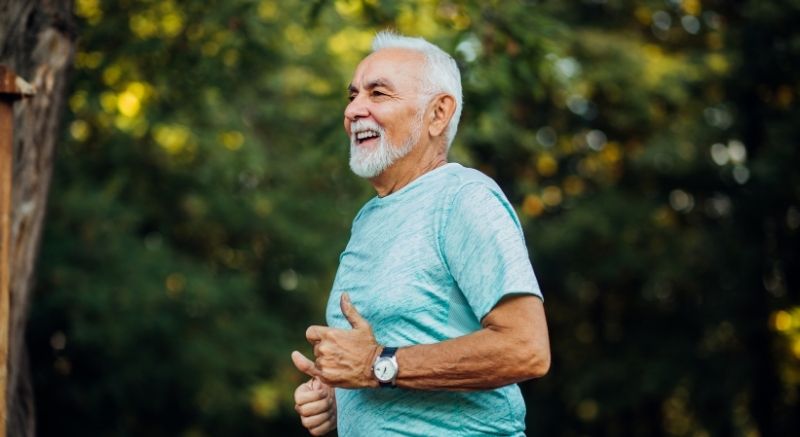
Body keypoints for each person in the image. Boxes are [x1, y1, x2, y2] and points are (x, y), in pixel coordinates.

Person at [291, 31, 550, 436]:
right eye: (353, 95)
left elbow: (526, 348)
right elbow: (386, 379)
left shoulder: (464, 198)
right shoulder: (368, 219)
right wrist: (337, 404)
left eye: (378, 94)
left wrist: (379, 364)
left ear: (437, 113)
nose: (355, 110)